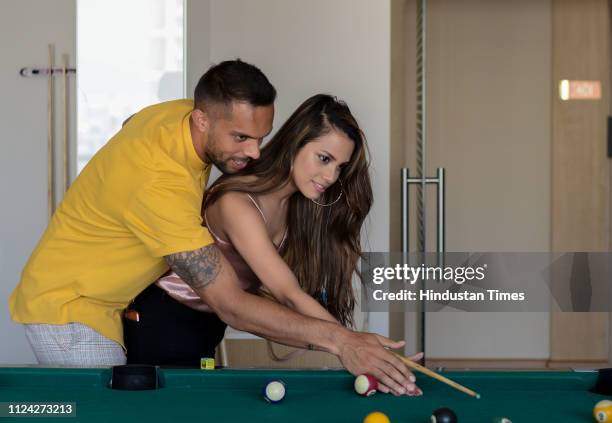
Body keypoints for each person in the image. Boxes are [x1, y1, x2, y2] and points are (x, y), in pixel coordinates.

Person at [9, 59, 416, 396]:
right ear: (202, 120)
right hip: (69, 309)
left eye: (261, 136)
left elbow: (133, 121)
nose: (254, 152)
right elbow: (231, 304)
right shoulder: (159, 183)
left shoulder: (175, 117)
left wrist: (356, 344)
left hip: (109, 305)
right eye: (240, 137)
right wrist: (345, 344)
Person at [125, 94, 422, 396]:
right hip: (160, 323)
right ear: (295, 144)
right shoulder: (236, 202)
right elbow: (288, 294)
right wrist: (353, 344)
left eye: (340, 167)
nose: (331, 176)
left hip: (206, 326)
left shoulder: (296, 206)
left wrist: (365, 350)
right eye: (324, 158)